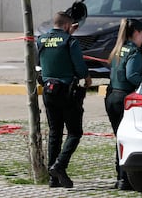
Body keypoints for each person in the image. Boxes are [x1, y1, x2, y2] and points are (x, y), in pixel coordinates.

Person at [37, 11, 92, 188]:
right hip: (67, 93)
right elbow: (80, 68)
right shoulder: (70, 41)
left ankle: (53, 178)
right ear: (68, 26)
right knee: (75, 132)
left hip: (48, 91)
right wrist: (87, 78)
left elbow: (38, 64)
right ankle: (59, 165)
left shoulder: (42, 40)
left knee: (55, 132)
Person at [105, 18, 142, 190]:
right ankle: (124, 179)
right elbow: (132, 76)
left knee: (119, 138)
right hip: (124, 99)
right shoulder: (134, 52)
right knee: (125, 140)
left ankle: (120, 177)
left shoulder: (117, 49)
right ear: (136, 33)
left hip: (112, 97)